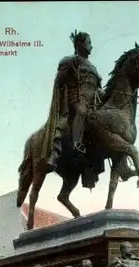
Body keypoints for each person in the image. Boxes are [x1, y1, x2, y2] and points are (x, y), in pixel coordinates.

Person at [44, 31, 105, 173]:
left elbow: (98, 87)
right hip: (76, 99)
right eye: (89, 43)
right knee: (81, 111)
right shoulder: (70, 61)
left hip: (93, 101)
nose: (92, 46)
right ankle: (75, 144)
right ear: (80, 44)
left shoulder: (93, 67)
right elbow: (60, 80)